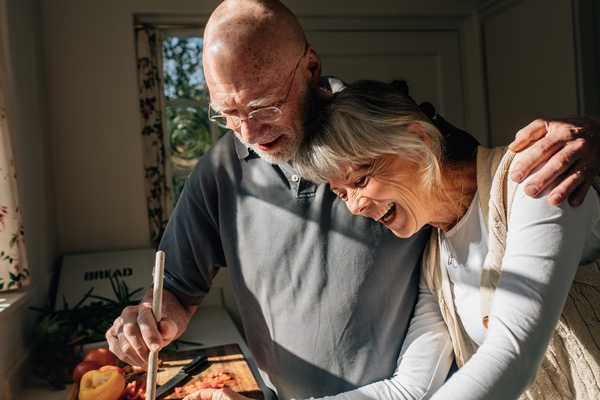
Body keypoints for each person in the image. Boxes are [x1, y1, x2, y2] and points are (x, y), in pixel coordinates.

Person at [106, 1, 600, 399]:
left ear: (311, 67)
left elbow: (477, 186)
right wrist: (150, 314)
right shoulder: (218, 172)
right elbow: (174, 285)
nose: (248, 132)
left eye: (261, 105)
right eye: (227, 113)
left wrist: (586, 139)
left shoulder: (412, 145)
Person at [292, 79, 600, 399]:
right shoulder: (435, 259)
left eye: (361, 179)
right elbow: (408, 387)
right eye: (343, 194)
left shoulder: (534, 181)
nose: (355, 206)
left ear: (418, 139)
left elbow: (512, 354)